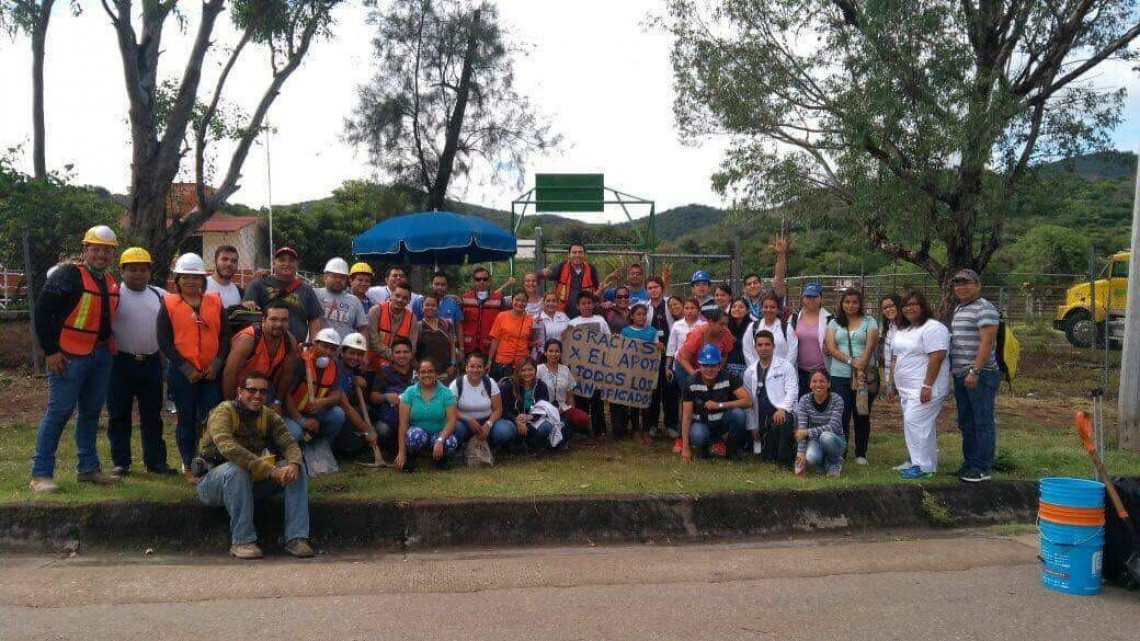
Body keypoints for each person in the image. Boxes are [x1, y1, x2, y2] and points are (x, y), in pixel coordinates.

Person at [31, 225, 122, 493]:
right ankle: (41, 474)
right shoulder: (68, 274)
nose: (101, 255)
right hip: (69, 355)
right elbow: (42, 312)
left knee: (91, 412)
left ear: (112, 254)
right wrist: (50, 351)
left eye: (107, 251)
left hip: (99, 355)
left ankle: (88, 469)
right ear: (86, 250)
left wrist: (107, 345)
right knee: (58, 412)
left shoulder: (107, 280)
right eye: (96, 250)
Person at [195, 370, 312, 559]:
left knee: (296, 469)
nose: (257, 395)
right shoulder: (223, 412)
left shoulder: (268, 415)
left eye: (263, 392)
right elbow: (229, 448)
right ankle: (242, 541)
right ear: (240, 392)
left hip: (249, 483)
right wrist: (271, 470)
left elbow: (289, 442)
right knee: (237, 470)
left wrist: (294, 464)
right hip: (212, 484)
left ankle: (296, 538)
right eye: (252, 390)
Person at [158, 252, 228, 479]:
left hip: (210, 373)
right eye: (185, 276)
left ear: (203, 280)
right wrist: (186, 369)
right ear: (177, 279)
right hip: (182, 374)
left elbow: (226, 337)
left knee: (212, 418)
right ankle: (188, 464)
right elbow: (164, 341)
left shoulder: (215, 302)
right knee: (186, 419)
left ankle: (209, 461)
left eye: (196, 277)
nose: (191, 281)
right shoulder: (169, 304)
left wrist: (217, 364)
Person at [106, 247, 172, 477]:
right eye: (132, 269)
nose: (138, 274)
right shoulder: (114, 295)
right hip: (120, 363)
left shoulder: (159, 295)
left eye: (143, 269)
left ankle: (155, 461)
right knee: (119, 414)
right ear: (121, 271)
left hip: (151, 362)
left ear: (150, 271)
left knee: (152, 414)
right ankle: (121, 462)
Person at [892, 290, 950, 481]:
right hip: (906, 389)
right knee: (917, 426)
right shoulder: (904, 329)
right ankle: (919, 461)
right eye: (905, 305)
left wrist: (927, 385)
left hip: (925, 388)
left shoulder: (933, 328)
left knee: (915, 422)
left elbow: (937, 356)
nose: (909, 308)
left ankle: (923, 466)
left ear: (923, 306)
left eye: (913, 304)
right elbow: (897, 355)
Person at [949, 268, 1001, 483]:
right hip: (961, 374)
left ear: (978, 285)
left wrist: (975, 370)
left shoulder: (985, 308)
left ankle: (982, 467)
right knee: (966, 421)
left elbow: (987, 342)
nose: (961, 286)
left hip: (980, 374)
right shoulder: (960, 308)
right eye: (957, 283)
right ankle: (969, 463)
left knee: (982, 420)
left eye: (966, 282)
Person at [824, 287, 879, 464]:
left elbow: (870, 347)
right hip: (840, 374)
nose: (851, 305)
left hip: (864, 374)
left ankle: (861, 453)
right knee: (842, 413)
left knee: (862, 412)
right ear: (842, 303)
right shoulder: (834, 323)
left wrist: (860, 365)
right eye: (847, 302)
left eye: (855, 302)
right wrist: (850, 362)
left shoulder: (870, 321)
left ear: (860, 303)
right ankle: (841, 450)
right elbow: (831, 348)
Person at [679, 344, 752, 461]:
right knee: (698, 435)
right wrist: (685, 448)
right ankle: (703, 449)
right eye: (705, 365)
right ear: (699, 366)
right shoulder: (690, 383)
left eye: (713, 365)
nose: (709, 369)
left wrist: (720, 405)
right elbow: (686, 417)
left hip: (721, 422)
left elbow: (747, 401)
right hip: (700, 423)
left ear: (719, 366)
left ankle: (732, 450)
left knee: (739, 414)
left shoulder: (728, 377)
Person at [242, 247, 322, 344]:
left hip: (295, 349)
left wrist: (313, 346)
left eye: (291, 261)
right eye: (281, 260)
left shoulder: (307, 290)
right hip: (264, 347)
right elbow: (246, 310)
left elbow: (315, 320)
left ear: (297, 265)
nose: (286, 264)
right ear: (273, 263)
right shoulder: (258, 284)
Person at [282, 328, 346, 449]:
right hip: (291, 413)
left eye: (333, 349)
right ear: (315, 343)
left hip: (313, 411)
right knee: (296, 433)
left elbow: (337, 393)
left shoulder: (334, 364)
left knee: (338, 414)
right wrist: (302, 421)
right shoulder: (300, 361)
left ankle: (321, 449)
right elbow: (286, 395)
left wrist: (323, 402)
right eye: (325, 346)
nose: (328, 352)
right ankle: (290, 453)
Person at [223, 301, 297, 401]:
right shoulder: (247, 339)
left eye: (284, 320)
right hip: (239, 389)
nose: (279, 324)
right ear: (263, 320)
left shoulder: (290, 342)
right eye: (273, 319)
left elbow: (287, 375)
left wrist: (278, 402)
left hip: (263, 388)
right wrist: (231, 405)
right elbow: (230, 373)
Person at [743, 330, 798, 462]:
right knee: (767, 457)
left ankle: (784, 463)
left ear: (774, 346)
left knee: (782, 421)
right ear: (755, 347)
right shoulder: (749, 372)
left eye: (767, 344)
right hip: (761, 418)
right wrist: (752, 425)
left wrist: (783, 409)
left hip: (782, 414)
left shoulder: (786, 366)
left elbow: (793, 391)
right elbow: (748, 401)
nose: (763, 348)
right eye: (760, 345)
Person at [395, 359, 459, 472]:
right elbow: (403, 423)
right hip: (418, 434)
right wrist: (401, 452)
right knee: (415, 435)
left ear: (436, 374)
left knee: (450, 442)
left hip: (438, 434)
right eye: (423, 372)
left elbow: (451, 421)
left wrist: (440, 440)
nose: (426, 375)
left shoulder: (446, 393)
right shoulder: (409, 393)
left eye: (430, 371)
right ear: (418, 375)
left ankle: (440, 459)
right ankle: (412, 458)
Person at [332, 332, 381, 462]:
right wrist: (368, 431)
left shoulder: (352, 369)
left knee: (368, 410)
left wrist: (355, 383)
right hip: (330, 412)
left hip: (343, 409)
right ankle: (336, 447)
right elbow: (345, 406)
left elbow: (351, 400)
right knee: (343, 416)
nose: (355, 357)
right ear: (342, 352)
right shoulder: (334, 367)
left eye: (359, 354)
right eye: (352, 353)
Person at [565, 292, 609, 435]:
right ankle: (583, 429)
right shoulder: (572, 323)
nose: (587, 306)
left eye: (589, 303)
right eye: (583, 304)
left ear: (593, 304)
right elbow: (568, 346)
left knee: (597, 399)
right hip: (579, 369)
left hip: (597, 367)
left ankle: (599, 428)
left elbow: (608, 341)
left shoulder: (601, 320)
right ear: (578, 306)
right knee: (581, 397)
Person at [449, 352, 515, 447]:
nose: (475, 370)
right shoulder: (456, 384)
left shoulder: (490, 383)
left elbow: (498, 410)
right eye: (472, 366)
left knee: (505, 431)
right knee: (455, 428)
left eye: (479, 367)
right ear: (466, 368)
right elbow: (451, 410)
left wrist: (488, 425)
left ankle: (490, 446)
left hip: (487, 420)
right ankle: (461, 447)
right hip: (465, 423)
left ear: (484, 369)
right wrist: (468, 419)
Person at [665, 298, 707, 442]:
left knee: (699, 398)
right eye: (687, 308)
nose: (689, 311)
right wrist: (667, 366)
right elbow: (671, 347)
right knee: (685, 398)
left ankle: (697, 428)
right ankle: (682, 435)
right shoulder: (677, 325)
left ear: (698, 310)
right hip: (681, 366)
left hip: (699, 366)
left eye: (692, 308)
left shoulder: (704, 326)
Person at [619, 303, 660, 443]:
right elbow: (621, 350)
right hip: (631, 373)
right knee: (634, 403)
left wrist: (659, 347)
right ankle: (636, 430)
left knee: (647, 403)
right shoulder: (625, 331)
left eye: (644, 314)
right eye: (638, 314)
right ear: (632, 316)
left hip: (647, 374)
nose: (642, 317)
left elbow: (656, 350)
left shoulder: (652, 331)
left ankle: (646, 430)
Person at [793, 370, 846, 477]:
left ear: (829, 383)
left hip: (835, 440)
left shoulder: (837, 399)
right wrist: (801, 452)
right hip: (815, 440)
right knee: (811, 457)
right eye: (814, 381)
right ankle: (822, 464)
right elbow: (801, 429)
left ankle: (835, 462)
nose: (818, 384)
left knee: (825, 436)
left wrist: (807, 432)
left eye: (822, 381)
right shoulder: (804, 400)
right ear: (810, 384)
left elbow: (833, 427)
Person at [499, 358, 556, 451]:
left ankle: (530, 442)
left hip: (532, 419)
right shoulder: (508, 385)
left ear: (535, 370)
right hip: (512, 419)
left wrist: (530, 417)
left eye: (530, 369)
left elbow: (544, 407)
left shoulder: (541, 386)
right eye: (523, 370)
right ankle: (511, 444)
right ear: (518, 371)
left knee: (546, 427)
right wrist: (516, 420)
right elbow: (503, 409)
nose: (527, 373)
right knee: (503, 431)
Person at [369, 338, 416, 450]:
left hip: (414, 418)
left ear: (411, 354)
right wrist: (385, 397)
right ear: (392, 354)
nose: (402, 355)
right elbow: (373, 397)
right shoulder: (384, 373)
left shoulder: (418, 372)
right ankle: (393, 449)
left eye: (405, 352)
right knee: (382, 429)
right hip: (391, 419)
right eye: (397, 352)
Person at [536, 339, 591, 435]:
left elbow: (569, 395)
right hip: (545, 409)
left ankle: (570, 429)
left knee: (582, 418)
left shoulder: (565, 370)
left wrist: (571, 411)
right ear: (545, 353)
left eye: (557, 351)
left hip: (563, 408)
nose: (554, 354)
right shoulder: (538, 370)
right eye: (551, 351)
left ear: (561, 353)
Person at [644, 278, 676, 438]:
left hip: (670, 353)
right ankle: (652, 425)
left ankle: (671, 424)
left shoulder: (670, 304)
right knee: (653, 390)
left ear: (662, 288)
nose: (653, 290)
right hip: (651, 356)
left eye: (656, 287)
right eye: (649, 288)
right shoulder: (644, 307)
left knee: (670, 390)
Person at [791, 283, 834, 396]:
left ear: (821, 299)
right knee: (801, 404)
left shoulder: (829, 319)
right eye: (808, 297)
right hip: (799, 371)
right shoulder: (794, 318)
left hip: (821, 371)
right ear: (803, 299)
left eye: (814, 297)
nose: (811, 300)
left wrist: (830, 347)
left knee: (820, 403)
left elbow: (836, 342)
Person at [537, 244, 599, 318]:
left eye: (580, 252)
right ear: (568, 255)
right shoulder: (562, 267)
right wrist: (543, 273)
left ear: (584, 255)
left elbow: (597, 288)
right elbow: (539, 276)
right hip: (564, 314)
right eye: (574, 252)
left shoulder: (591, 268)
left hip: (585, 313)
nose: (577, 255)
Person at [366, 281, 418, 370]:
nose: (400, 300)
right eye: (397, 296)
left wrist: (400, 358)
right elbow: (373, 341)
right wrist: (395, 356)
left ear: (409, 301)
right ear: (391, 295)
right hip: (372, 366)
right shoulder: (376, 311)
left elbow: (412, 347)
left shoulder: (412, 319)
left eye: (405, 298)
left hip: (399, 368)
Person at [316, 257, 368, 341]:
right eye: (334, 276)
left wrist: (364, 351)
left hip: (343, 352)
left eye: (342, 277)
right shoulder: (315, 294)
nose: (338, 280)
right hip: (317, 350)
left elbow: (362, 329)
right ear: (325, 277)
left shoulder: (354, 301)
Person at [488, 289, 535, 380]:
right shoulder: (502, 316)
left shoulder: (530, 320)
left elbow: (528, 340)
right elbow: (495, 339)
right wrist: (489, 361)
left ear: (527, 303)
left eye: (523, 301)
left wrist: (534, 343)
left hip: (522, 363)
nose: (520, 303)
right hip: (502, 362)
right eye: (517, 300)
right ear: (512, 301)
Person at [675, 309, 735, 380]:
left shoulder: (727, 334)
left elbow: (725, 355)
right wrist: (694, 375)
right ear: (711, 322)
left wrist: (718, 370)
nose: (725, 328)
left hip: (708, 366)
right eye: (721, 324)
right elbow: (684, 359)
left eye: (726, 324)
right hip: (686, 364)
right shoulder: (696, 335)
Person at [743, 292, 798, 368]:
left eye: (772, 307)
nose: (768, 310)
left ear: (778, 309)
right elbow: (747, 351)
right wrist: (757, 370)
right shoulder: (752, 327)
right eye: (765, 307)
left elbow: (793, 351)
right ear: (761, 308)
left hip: (783, 375)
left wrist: (783, 371)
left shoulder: (786, 328)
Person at [460, 266, 505, 356]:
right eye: (478, 279)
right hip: (468, 348)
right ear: (473, 282)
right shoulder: (464, 298)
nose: (482, 282)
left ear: (489, 281)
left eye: (485, 279)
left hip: (489, 348)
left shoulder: (499, 299)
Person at [415, 292, 462, 381]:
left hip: (446, 372)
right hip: (425, 373)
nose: (430, 308)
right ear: (422, 307)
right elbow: (413, 350)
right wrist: (418, 368)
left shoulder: (446, 324)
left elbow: (452, 344)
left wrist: (452, 363)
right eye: (427, 305)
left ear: (437, 308)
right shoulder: (417, 326)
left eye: (433, 305)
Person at [742, 235, 789, 320]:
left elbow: (779, 277)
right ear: (745, 288)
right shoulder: (744, 303)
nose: (752, 286)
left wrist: (781, 254)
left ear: (761, 284)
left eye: (755, 283)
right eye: (749, 284)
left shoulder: (771, 296)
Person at [879, 293, 903, 418]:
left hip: (910, 378)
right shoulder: (890, 328)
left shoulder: (908, 327)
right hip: (896, 379)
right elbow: (890, 361)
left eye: (891, 305)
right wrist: (889, 385)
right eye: (885, 308)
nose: (888, 310)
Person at [534, 290, 570, 354]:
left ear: (557, 302)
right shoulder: (537, 319)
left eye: (554, 301)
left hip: (562, 354)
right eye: (548, 301)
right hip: (543, 355)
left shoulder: (564, 317)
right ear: (543, 302)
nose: (551, 303)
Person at [724, 298, 752, 378]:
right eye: (734, 307)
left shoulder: (752, 327)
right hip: (728, 368)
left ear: (747, 311)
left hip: (748, 367)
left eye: (741, 307)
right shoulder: (725, 327)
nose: (737, 309)